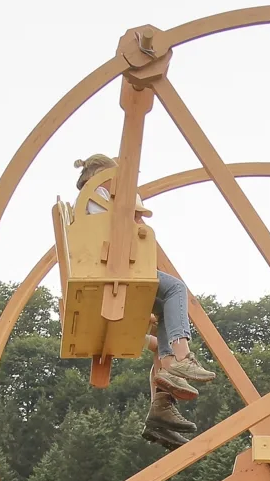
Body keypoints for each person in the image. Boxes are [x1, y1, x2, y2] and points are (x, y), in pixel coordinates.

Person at [71, 153, 218, 449]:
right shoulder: (99, 198)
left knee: (163, 322)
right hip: (112, 273)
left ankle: (161, 410)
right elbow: (124, 228)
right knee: (176, 289)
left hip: (100, 286)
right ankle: (180, 358)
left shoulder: (86, 206)